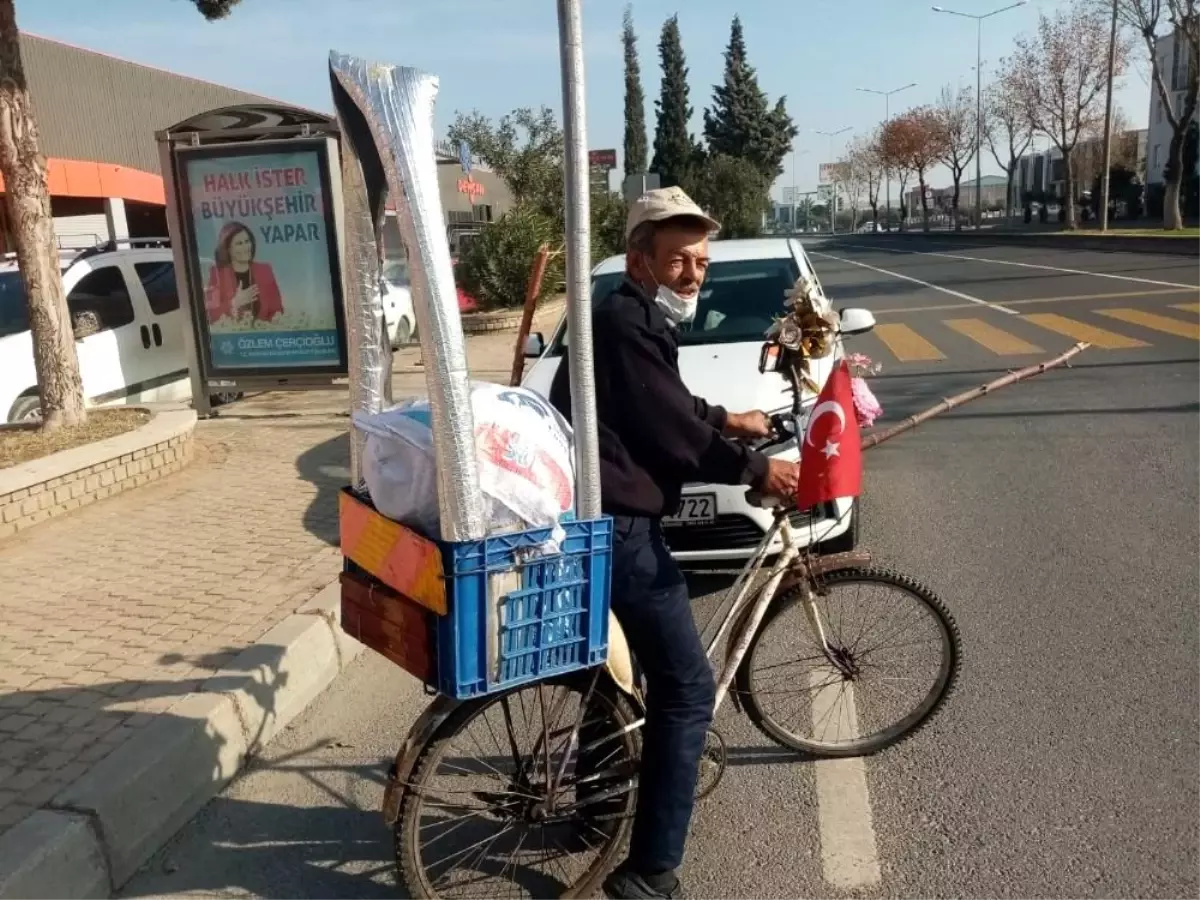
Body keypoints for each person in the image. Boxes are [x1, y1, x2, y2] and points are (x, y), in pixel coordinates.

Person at [548, 187, 800, 900]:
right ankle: (650, 872)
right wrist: (755, 468)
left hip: (602, 517)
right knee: (687, 691)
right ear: (639, 262)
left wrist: (732, 417)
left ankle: (595, 810)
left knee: (614, 677)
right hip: (620, 528)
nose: (693, 275)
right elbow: (671, 432)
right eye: (678, 262)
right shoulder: (627, 323)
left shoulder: (627, 318)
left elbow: (666, 403)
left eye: (701, 262)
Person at [204, 221, 283, 324]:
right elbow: (210, 314)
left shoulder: (265, 270)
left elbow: (277, 309)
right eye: (239, 243)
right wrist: (234, 303)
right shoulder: (217, 274)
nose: (246, 247)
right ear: (228, 249)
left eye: (247, 241)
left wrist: (276, 319)